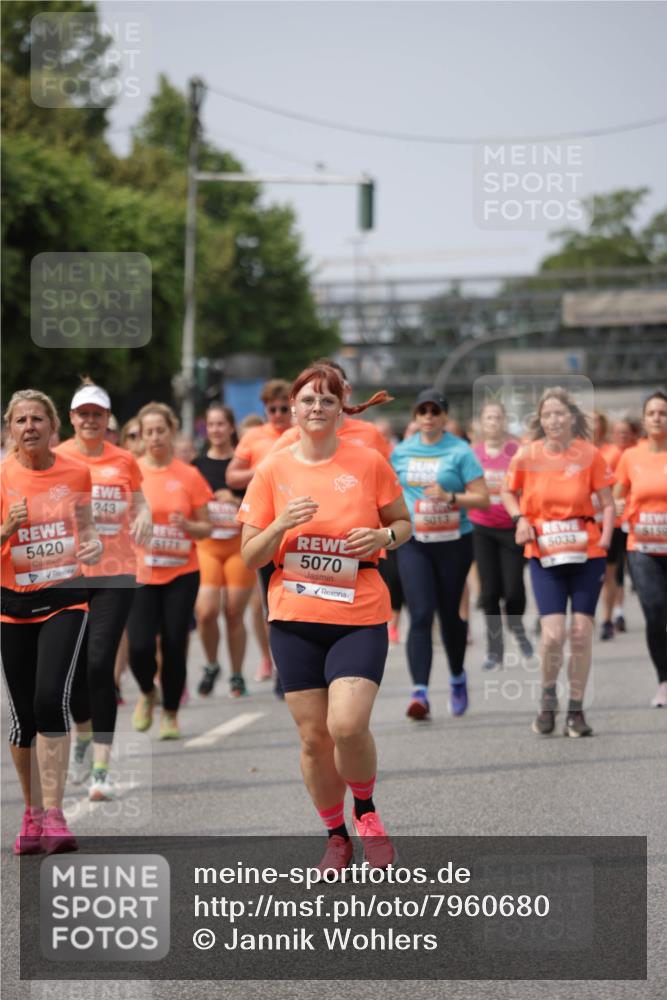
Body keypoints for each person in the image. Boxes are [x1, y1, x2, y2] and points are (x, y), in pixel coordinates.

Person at [238, 364, 411, 874]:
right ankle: (335, 835)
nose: (316, 408)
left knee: (347, 724)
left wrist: (383, 538)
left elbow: (404, 523)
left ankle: (367, 811)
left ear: (342, 410)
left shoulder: (368, 461)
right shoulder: (272, 469)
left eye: (327, 401)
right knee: (315, 738)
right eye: (308, 400)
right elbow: (250, 555)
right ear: (292, 408)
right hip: (294, 616)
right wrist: (280, 525)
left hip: (358, 609)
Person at [1, 390, 102, 854]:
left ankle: (56, 814)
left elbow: (89, 531)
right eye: (20, 419)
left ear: (52, 425)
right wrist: (6, 530)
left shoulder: (76, 472)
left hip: (64, 599)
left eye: (37, 418)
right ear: (9, 428)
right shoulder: (1, 476)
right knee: (23, 720)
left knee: (48, 701)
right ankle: (33, 812)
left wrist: (93, 547)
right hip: (11, 604)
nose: (29, 426)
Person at [56, 381, 151, 800]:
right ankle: (82, 737)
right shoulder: (57, 457)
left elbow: (140, 499)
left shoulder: (124, 459)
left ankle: (100, 768)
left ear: (107, 419)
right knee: (72, 670)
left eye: (98, 414)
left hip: (115, 572)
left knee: (99, 665)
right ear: (72, 418)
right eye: (83, 414)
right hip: (68, 573)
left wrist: (145, 515)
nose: (90, 420)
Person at [502, 387, 615, 738]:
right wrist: (520, 518)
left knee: (580, 633)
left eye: (560, 414)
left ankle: (576, 711)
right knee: (553, 634)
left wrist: (607, 538)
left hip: (587, 552)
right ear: (540, 420)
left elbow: (608, 502)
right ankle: (548, 699)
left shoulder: (590, 455)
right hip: (544, 553)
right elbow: (508, 491)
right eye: (547, 414)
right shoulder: (527, 455)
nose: (553, 420)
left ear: (571, 419)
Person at [391, 389, 489, 720]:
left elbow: (483, 498)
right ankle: (419, 692)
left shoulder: (460, 451)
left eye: (436, 411)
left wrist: (450, 497)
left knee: (449, 614)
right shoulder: (401, 453)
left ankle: (458, 677)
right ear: (415, 417)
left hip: (453, 541)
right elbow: (388, 494)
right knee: (419, 614)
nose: (429, 416)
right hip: (414, 542)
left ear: (445, 417)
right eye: (423, 410)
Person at [128, 403, 212, 740]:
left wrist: (188, 524)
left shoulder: (188, 475)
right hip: (141, 572)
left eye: (160, 430)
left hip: (182, 572)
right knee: (139, 647)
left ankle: (171, 714)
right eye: (148, 431)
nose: (154, 437)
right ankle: (148, 692)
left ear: (172, 432)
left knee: (175, 642)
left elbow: (207, 528)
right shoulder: (131, 471)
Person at [193, 404, 256, 698]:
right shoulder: (196, 466)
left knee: (233, 613)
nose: (216, 430)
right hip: (207, 547)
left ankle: (236, 674)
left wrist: (234, 502)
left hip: (237, 546)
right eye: (211, 424)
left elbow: (261, 508)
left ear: (231, 428)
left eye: (221, 424)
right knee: (206, 612)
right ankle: (211, 663)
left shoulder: (242, 467)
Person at [469, 401, 533, 670]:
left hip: (511, 528)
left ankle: (517, 625)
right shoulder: (473, 454)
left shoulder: (516, 451)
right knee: (490, 590)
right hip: (482, 528)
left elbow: (529, 488)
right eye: (489, 417)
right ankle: (495, 650)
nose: (494, 422)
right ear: (482, 423)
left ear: (504, 421)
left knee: (514, 590)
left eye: (498, 417)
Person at [614, 391, 667, 707]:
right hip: (642, 546)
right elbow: (617, 495)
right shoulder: (631, 457)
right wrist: (619, 506)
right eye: (652, 413)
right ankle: (664, 680)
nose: (658, 418)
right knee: (655, 611)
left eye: (663, 412)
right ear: (644, 419)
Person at [592, 412, 624, 641]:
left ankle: (607, 618)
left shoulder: (613, 453)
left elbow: (620, 486)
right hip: (585, 524)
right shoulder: (576, 452)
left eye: (596, 421)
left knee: (609, 573)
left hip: (610, 522)